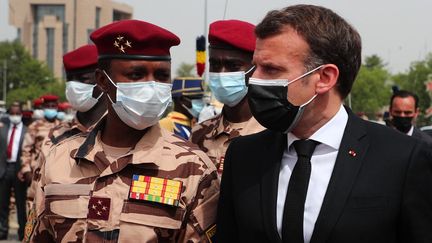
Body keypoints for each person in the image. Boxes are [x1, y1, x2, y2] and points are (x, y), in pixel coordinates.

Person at [216, 5, 432, 243]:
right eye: (255, 67)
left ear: (325, 78)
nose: (254, 79)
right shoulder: (244, 154)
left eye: (271, 69)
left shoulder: (403, 158)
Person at [27, 19, 219, 242]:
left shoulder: (193, 168)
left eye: (162, 76)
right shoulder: (59, 160)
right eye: (136, 75)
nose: (151, 87)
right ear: (103, 81)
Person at [191, 20, 264, 174]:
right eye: (215, 65)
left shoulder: (273, 134)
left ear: (255, 68)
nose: (222, 73)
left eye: (233, 66)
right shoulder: (199, 133)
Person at [18, 95, 61, 191]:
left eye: (53, 106)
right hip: (37, 172)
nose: (50, 109)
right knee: (35, 203)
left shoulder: (63, 126)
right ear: (43, 108)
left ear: (57, 107)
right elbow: (26, 150)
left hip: (57, 173)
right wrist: (26, 171)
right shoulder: (35, 126)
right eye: (48, 106)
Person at [0, 102, 27, 240]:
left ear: (21, 115)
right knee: (3, 203)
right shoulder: (3, 129)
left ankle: (22, 233)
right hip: (4, 170)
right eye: (12, 114)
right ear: (9, 115)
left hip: (19, 171)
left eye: (17, 114)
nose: (15, 116)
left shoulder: (27, 131)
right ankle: (3, 231)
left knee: (20, 204)